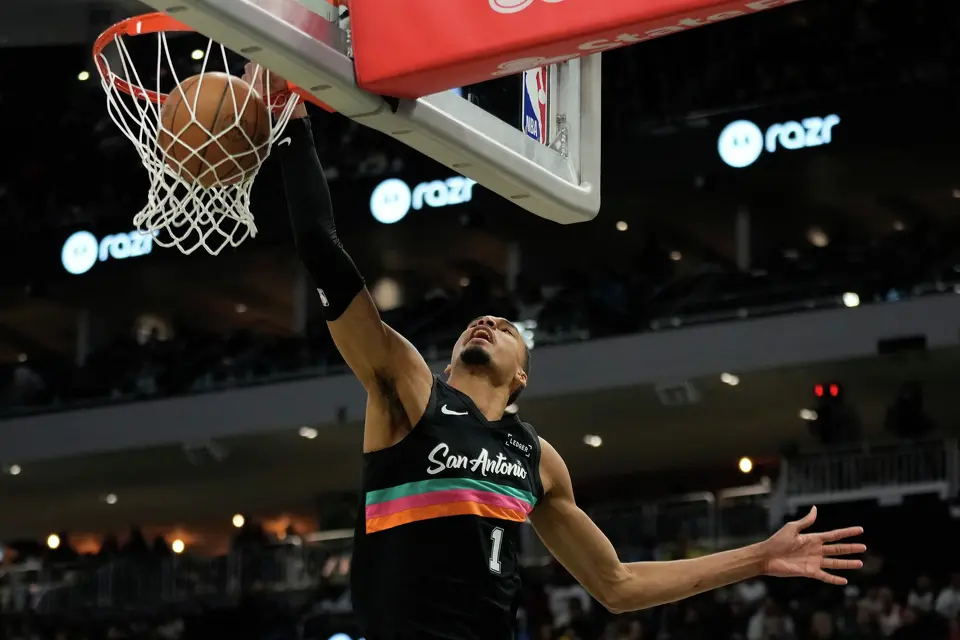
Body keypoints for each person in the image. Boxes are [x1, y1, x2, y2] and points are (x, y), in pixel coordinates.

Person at [247, 66, 866, 640]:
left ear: (521, 376)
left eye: (504, 325)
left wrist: (759, 556)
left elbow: (617, 586)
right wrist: (293, 125)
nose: (486, 321)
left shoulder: (538, 461)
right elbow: (323, 250)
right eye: (476, 323)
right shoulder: (408, 390)